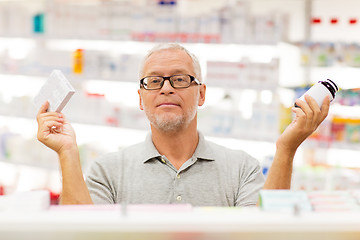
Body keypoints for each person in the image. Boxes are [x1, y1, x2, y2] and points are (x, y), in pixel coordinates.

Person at [36, 43, 330, 206]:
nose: (166, 89)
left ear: (201, 93)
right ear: (141, 98)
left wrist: (286, 148)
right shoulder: (109, 170)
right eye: (154, 81)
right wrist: (67, 153)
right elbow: (84, 234)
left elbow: (266, 234)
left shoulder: (241, 168)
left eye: (179, 79)